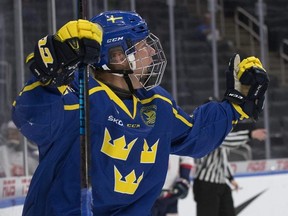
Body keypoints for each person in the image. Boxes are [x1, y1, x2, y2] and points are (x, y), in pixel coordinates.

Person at [11, 10, 268, 215]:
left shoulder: (157, 102)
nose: (152, 51)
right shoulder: (78, 94)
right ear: (117, 56)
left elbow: (194, 135)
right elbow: (32, 117)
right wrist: (52, 71)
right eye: (142, 46)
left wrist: (233, 107)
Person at [193, 119, 267, 216]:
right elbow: (228, 141)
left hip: (221, 184)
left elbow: (222, 160)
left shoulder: (220, 134)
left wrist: (230, 178)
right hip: (206, 184)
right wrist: (250, 134)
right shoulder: (208, 135)